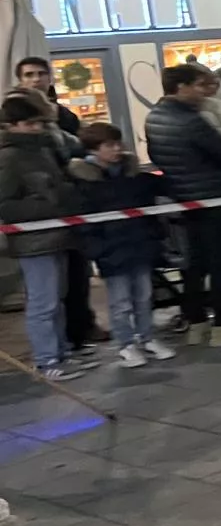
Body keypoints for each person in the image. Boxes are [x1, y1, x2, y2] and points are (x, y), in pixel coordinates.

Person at [145, 63, 221, 346]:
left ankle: (196, 322)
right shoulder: (190, 121)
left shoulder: (154, 117)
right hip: (213, 196)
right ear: (180, 87)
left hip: (184, 197)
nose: (202, 93)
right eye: (197, 86)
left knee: (194, 264)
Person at [9, 57, 110, 349]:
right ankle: (52, 351)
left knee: (75, 277)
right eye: (29, 74)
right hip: (39, 216)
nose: (36, 79)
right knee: (45, 292)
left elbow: (74, 147)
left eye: (41, 73)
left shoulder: (61, 115)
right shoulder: (15, 118)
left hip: (66, 207)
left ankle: (78, 332)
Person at [0, 96, 97, 381]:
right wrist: (52, 207)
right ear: (11, 125)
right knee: (43, 302)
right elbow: (6, 205)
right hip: (34, 239)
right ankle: (46, 360)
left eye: (39, 122)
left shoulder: (44, 149)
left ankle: (61, 353)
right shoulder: (8, 158)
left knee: (57, 299)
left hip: (58, 234)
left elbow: (59, 184)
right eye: (30, 124)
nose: (37, 128)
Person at [67, 123, 175, 367]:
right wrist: (97, 250)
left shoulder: (132, 175)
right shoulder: (83, 183)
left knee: (144, 296)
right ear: (94, 149)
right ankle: (125, 343)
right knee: (121, 301)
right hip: (112, 250)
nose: (116, 149)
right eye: (109, 145)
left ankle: (146, 337)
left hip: (139, 243)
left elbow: (158, 190)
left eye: (118, 144)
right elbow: (83, 222)